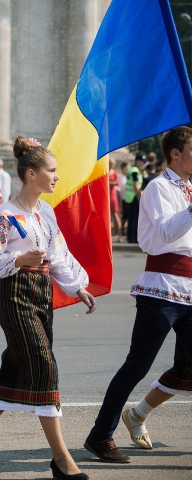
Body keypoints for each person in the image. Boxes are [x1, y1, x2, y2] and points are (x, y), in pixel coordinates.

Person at [0, 137, 96, 480]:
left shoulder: (46, 213)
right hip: (15, 296)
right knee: (43, 364)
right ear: (32, 174)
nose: (56, 177)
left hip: (41, 294)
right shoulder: (5, 215)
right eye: (52, 171)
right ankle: (61, 458)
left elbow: (58, 256)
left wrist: (77, 287)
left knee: (16, 367)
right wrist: (19, 258)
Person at [85, 127, 192, 464]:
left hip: (189, 292)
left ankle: (134, 416)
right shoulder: (158, 187)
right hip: (161, 290)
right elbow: (163, 234)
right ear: (175, 153)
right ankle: (100, 435)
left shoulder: (188, 189)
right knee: (136, 366)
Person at [124, 153, 144, 243]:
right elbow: (136, 185)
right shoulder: (135, 171)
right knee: (135, 218)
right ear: (138, 161)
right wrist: (139, 198)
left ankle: (130, 237)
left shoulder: (130, 169)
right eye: (142, 161)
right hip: (134, 196)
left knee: (131, 218)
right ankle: (133, 238)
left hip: (128, 196)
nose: (143, 163)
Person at [109, 158, 123, 243]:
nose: (112, 165)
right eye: (111, 164)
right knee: (108, 216)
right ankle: (110, 235)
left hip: (113, 196)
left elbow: (117, 182)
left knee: (115, 215)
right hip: (107, 195)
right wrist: (112, 182)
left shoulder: (114, 173)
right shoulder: (106, 172)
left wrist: (109, 183)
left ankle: (120, 234)